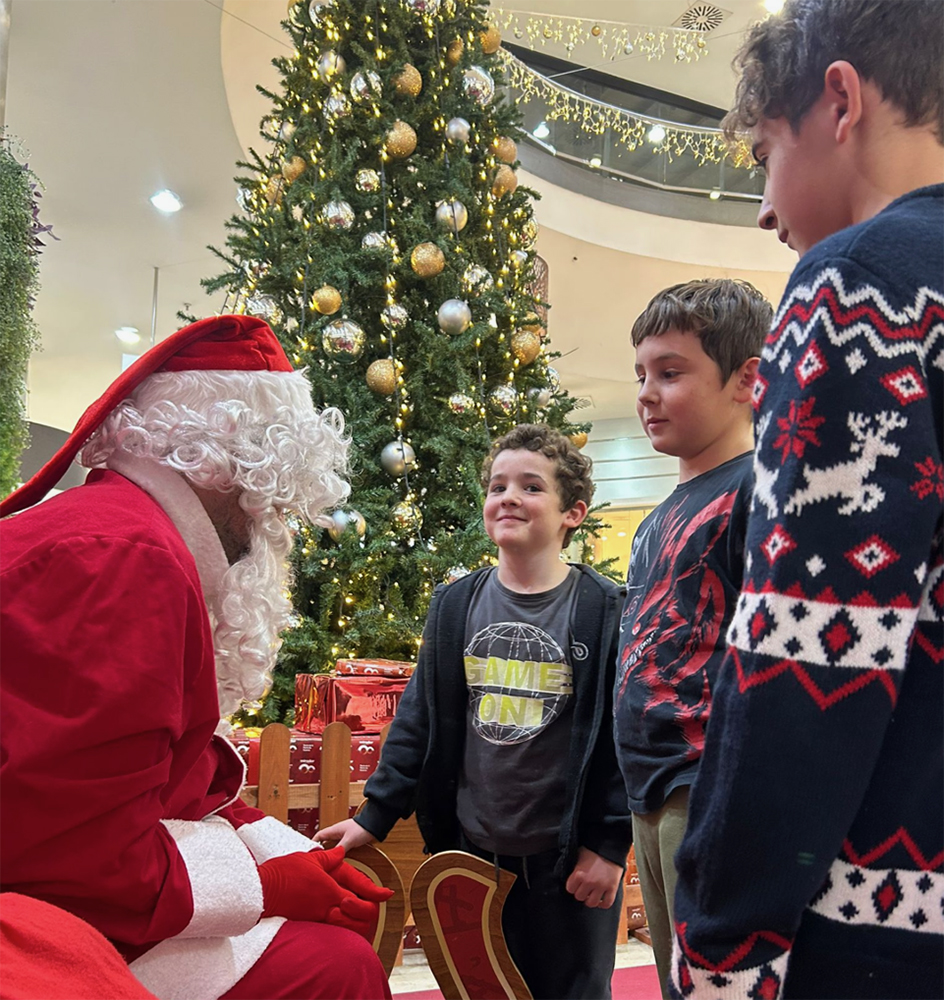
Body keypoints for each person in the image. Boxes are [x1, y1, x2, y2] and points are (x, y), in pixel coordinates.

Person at [667, 3, 943, 997]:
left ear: (839, 101)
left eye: (763, 155)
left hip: (880, 924)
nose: (761, 208)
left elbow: (813, 653)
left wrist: (722, 944)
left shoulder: (859, 291)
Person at [0, 315, 393, 1000]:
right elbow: (73, 855)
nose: (275, 516)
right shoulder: (127, 560)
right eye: (273, 489)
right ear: (231, 459)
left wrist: (272, 849)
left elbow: (145, 776)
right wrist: (265, 885)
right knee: (336, 967)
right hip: (42, 918)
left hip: (63, 887)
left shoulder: (122, 534)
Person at [317, 424, 633, 1000]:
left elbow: (622, 737)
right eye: (497, 486)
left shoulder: (604, 610)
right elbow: (418, 719)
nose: (509, 497)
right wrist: (375, 814)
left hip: (569, 865)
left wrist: (609, 846)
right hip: (471, 859)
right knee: (481, 989)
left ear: (573, 513)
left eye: (531, 487)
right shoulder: (455, 604)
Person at [612, 278, 770, 996]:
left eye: (671, 373)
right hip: (647, 788)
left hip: (708, 786)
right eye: (641, 374)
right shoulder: (657, 517)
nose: (647, 393)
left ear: (746, 379)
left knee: (718, 984)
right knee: (678, 983)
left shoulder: (760, 491)